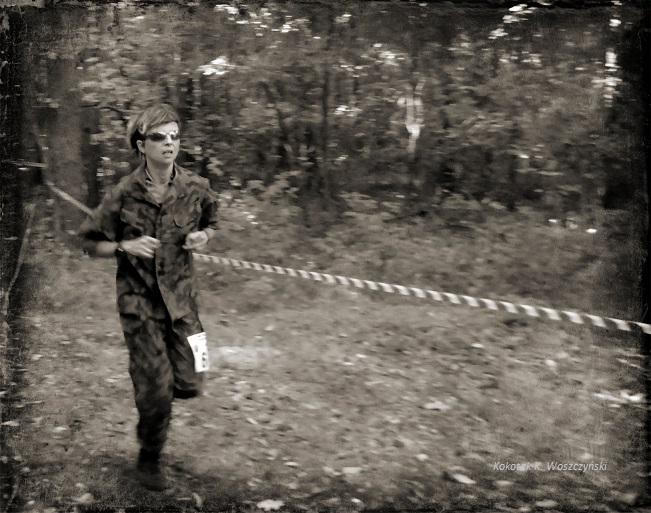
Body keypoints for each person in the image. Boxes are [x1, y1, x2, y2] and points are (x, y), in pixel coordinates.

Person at [78, 104, 219, 491]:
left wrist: (202, 236)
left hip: (183, 302)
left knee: (194, 378)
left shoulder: (196, 187)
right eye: (159, 137)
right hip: (139, 302)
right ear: (141, 145)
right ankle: (149, 457)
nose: (169, 143)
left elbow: (212, 221)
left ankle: (167, 390)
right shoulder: (123, 193)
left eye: (175, 136)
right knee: (156, 386)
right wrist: (124, 246)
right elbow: (88, 242)